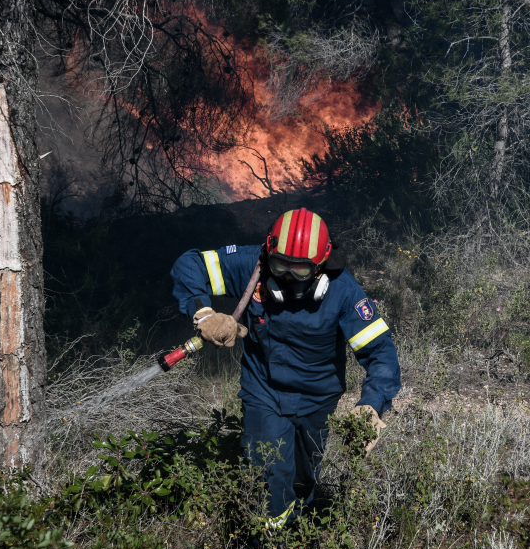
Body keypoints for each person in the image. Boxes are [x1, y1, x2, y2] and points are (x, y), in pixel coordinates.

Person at [170, 208, 401, 532]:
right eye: (280, 267)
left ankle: (294, 535)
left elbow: (381, 354)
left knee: (303, 481)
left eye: (301, 270)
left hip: (318, 399)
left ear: (321, 265)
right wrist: (203, 312)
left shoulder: (343, 290)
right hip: (264, 391)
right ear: (270, 252)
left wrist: (372, 405)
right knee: (268, 477)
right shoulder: (255, 264)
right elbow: (189, 264)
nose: (288, 278)